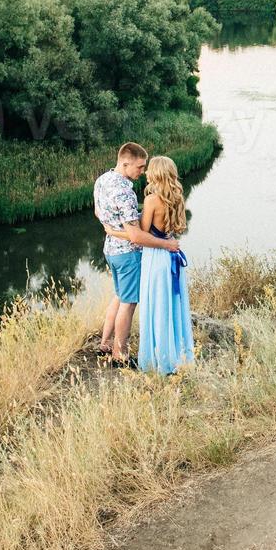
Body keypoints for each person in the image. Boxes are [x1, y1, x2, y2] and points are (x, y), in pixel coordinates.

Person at [93, 142, 180, 368]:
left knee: (119, 295)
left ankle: (104, 344)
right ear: (125, 162)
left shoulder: (103, 180)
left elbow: (97, 212)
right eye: (140, 167)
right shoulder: (125, 192)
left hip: (110, 250)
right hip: (128, 255)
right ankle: (119, 355)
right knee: (129, 303)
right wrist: (166, 244)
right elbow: (136, 236)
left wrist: (111, 230)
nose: (143, 172)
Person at [126, 156, 194, 375]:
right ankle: (176, 353)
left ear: (156, 174)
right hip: (172, 255)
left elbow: (142, 233)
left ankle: (159, 360)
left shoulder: (153, 200)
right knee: (172, 307)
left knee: (156, 307)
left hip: (156, 257)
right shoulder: (176, 196)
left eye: (149, 170)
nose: (145, 173)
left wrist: (118, 230)